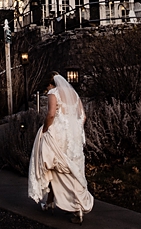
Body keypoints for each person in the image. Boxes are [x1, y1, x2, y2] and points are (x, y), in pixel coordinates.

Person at [27, 72, 94, 224]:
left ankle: (53, 202)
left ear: (50, 85)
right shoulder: (74, 94)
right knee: (73, 170)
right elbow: (83, 117)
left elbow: (51, 114)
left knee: (47, 165)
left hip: (56, 136)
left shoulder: (53, 93)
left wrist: (45, 128)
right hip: (73, 139)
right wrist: (74, 129)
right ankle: (74, 206)